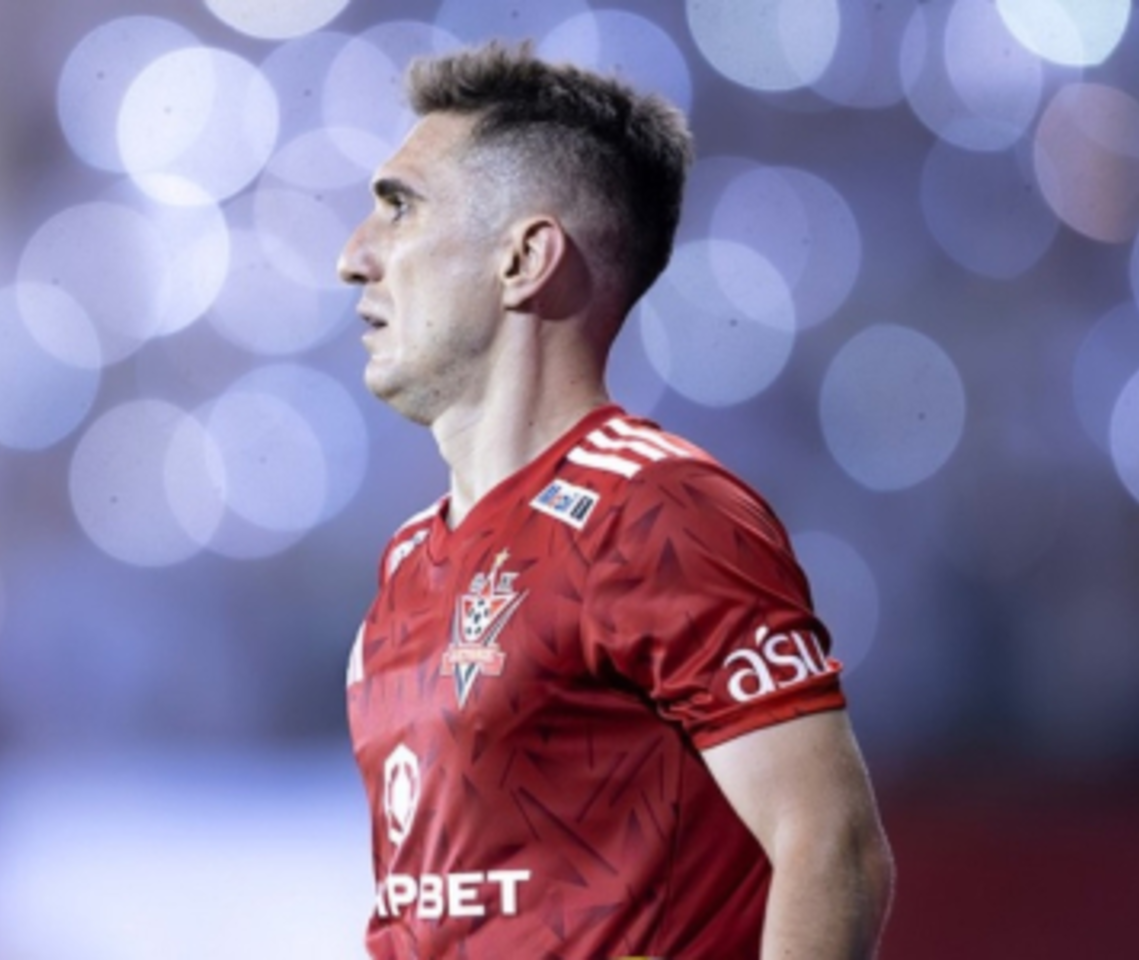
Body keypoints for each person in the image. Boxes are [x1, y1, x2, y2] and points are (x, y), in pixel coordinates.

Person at [336, 41, 894, 959]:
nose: (353, 257)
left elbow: (832, 848)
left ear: (524, 258)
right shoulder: (406, 565)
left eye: (400, 207)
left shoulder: (659, 515)